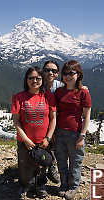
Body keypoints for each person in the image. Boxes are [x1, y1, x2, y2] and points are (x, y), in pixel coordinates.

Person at [11, 66, 56, 199]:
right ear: (26, 80)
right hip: (24, 140)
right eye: (31, 78)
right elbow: (16, 121)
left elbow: (53, 118)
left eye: (38, 78)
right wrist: (25, 139)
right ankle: (26, 185)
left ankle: (40, 185)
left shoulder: (48, 96)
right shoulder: (19, 97)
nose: (34, 81)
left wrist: (48, 138)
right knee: (25, 165)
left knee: (42, 165)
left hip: (44, 141)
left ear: (42, 79)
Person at [54, 60, 91, 199]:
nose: (68, 76)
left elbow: (87, 116)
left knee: (75, 163)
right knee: (62, 161)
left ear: (78, 75)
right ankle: (63, 184)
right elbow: (55, 113)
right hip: (60, 132)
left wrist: (82, 135)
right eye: (65, 73)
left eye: (71, 73)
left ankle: (73, 187)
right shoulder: (59, 92)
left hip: (76, 133)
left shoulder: (83, 93)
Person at [42, 60, 63, 184]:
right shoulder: (37, 84)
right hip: (42, 121)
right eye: (47, 70)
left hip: (57, 121)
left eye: (53, 71)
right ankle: (44, 172)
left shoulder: (61, 86)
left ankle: (51, 167)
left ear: (57, 73)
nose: (50, 72)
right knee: (44, 146)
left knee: (54, 146)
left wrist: (82, 88)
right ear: (43, 71)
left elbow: (74, 89)